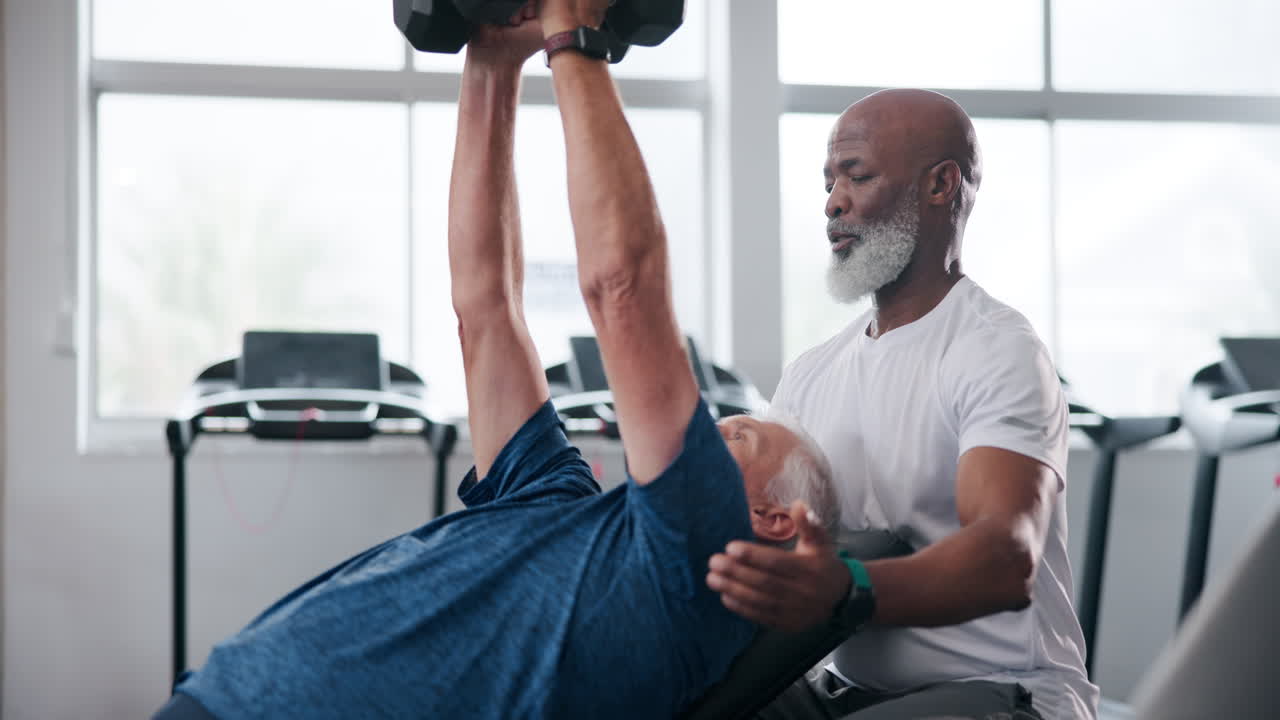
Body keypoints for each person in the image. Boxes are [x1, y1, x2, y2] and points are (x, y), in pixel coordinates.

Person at [150, 2, 842, 719]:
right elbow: (484, 307)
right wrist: (493, 58)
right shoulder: (550, 498)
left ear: (775, 519)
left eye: (735, 434)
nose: (711, 427)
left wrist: (574, 35)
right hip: (220, 694)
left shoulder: (702, 559)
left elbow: (623, 288)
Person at [705, 89, 1100, 719]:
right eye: (830, 181)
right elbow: (764, 528)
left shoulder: (995, 350)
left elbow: (1005, 558)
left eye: (856, 176)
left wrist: (848, 590)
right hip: (843, 691)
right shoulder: (810, 375)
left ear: (941, 185)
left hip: (998, 689)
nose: (833, 202)